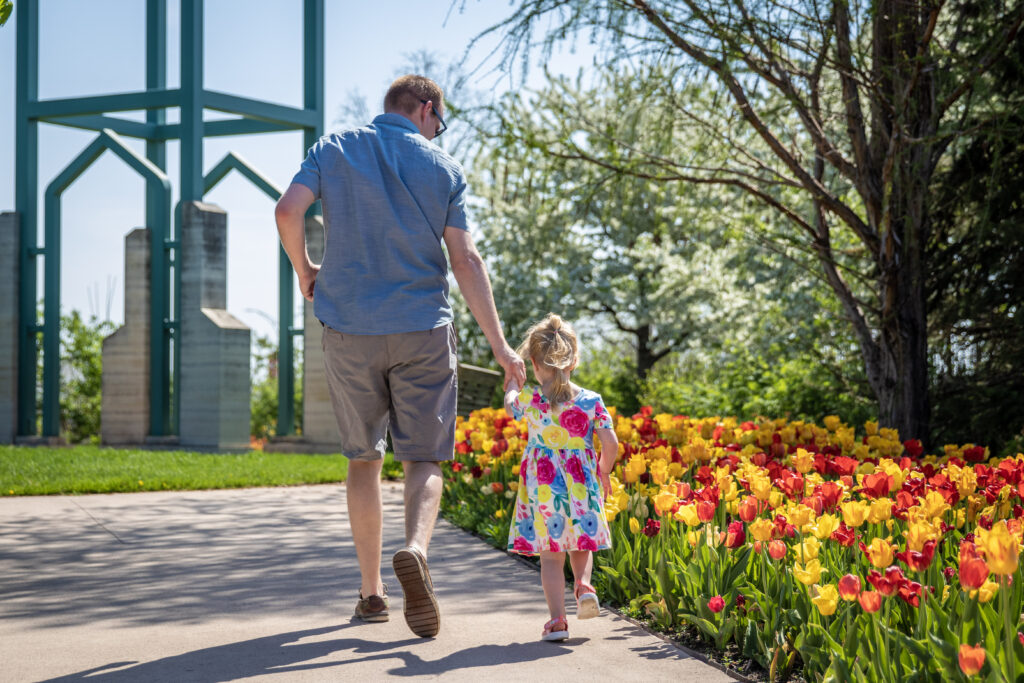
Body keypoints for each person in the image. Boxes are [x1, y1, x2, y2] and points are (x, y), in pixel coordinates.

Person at [274, 74, 526, 639]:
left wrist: (306, 270)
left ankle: (371, 593)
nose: (439, 132)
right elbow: (465, 261)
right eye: (439, 122)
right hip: (422, 330)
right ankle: (415, 549)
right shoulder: (443, 168)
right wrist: (502, 347)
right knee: (423, 459)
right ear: (426, 109)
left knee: (364, 459)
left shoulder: (334, 148)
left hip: (348, 326)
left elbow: (287, 211)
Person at [503, 314, 619, 642]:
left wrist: (513, 383)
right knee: (581, 543)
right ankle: (583, 586)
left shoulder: (530, 401)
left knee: (551, 558)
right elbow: (611, 443)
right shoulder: (592, 401)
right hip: (582, 483)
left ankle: (557, 622)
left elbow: (511, 401)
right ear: (575, 360)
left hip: (544, 489)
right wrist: (604, 471)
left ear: (535, 364)